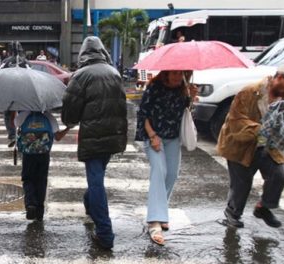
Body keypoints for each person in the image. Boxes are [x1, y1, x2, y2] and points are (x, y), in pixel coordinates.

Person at [217, 63, 284, 229]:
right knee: (241, 185)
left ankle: (263, 207)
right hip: (242, 145)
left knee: (278, 176)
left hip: (268, 147)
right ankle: (232, 213)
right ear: (280, 77)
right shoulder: (249, 92)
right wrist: (263, 129)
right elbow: (236, 121)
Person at [61, 36, 128, 250]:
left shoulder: (81, 76)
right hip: (114, 136)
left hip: (93, 137)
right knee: (97, 177)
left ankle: (105, 234)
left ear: (83, 53)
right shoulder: (114, 73)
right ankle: (90, 204)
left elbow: (69, 113)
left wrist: (70, 122)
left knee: (96, 182)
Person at [135, 70, 198, 245]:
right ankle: (154, 221)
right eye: (175, 74)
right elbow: (143, 113)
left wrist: (191, 97)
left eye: (181, 74)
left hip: (173, 138)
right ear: (166, 74)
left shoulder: (183, 88)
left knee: (172, 174)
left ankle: (161, 211)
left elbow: (184, 112)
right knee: (159, 172)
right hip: (154, 136)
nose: (178, 77)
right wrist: (152, 136)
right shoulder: (154, 87)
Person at [16, 111, 69, 221]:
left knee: (28, 179)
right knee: (41, 180)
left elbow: (16, 125)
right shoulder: (49, 117)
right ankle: (39, 211)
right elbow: (58, 137)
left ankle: (30, 204)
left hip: (28, 153)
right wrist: (68, 128)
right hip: (44, 153)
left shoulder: (23, 116)